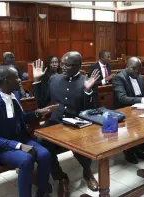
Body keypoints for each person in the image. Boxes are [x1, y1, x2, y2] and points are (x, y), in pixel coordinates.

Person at [0, 65, 58, 197]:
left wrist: (40, 112)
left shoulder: (14, 94)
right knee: (26, 160)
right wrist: (19, 146)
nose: (20, 79)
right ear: (6, 81)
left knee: (44, 154)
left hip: (19, 137)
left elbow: (21, 118)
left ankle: (42, 192)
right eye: (16, 77)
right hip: (0, 147)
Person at [32, 52, 100, 197]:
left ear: (78, 66)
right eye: (62, 63)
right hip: (56, 122)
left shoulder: (87, 80)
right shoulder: (54, 79)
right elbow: (42, 103)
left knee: (84, 143)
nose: (63, 67)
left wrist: (88, 90)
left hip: (78, 123)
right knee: (41, 142)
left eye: (68, 65)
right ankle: (60, 177)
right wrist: (37, 81)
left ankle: (87, 173)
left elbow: (92, 110)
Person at [113, 57, 144, 164]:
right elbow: (122, 98)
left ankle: (139, 149)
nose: (137, 71)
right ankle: (128, 152)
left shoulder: (139, 77)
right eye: (134, 68)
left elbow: (142, 95)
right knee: (133, 123)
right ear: (127, 67)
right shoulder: (119, 78)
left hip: (138, 108)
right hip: (124, 110)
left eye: (139, 69)